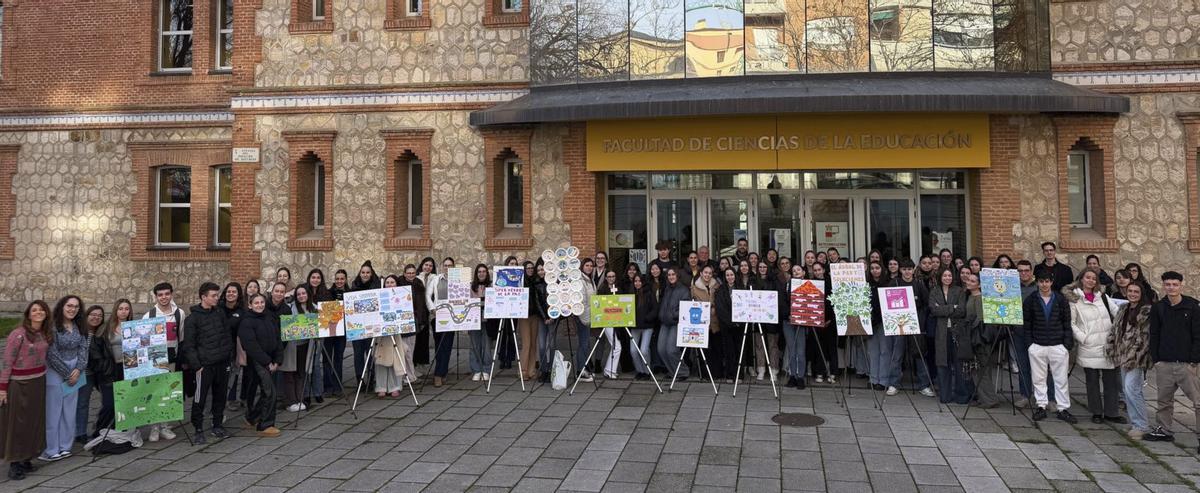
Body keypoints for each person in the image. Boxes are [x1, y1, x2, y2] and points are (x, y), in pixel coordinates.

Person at [1145, 271, 1200, 446]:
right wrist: (1157, 359)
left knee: (1198, 401)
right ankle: (1164, 430)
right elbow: (1154, 333)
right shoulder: (1159, 307)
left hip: (1187, 364)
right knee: (1164, 400)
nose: (1171, 287)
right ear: (1163, 285)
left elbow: (1198, 334)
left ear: (1181, 285)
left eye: (1175, 284)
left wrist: (1194, 360)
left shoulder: (1193, 306)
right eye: (1168, 284)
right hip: (1165, 363)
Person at [1065, 268, 1123, 424]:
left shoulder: (1102, 296)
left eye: (1093, 278)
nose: (1090, 280)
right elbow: (1071, 323)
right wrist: (1084, 338)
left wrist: (1118, 331)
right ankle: (1096, 412)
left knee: (1111, 380)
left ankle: (1112, 412)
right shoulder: (1074, 299)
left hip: (1107, 344)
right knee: (1092, 381)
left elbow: (1117, 312)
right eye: (1088, 277)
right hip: (1089, 345)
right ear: (1081, 279)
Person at [1, 301, 51, 480]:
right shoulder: (18, 334)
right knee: (18, 424)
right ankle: (14, 463)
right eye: (34, 310)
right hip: (20, 384)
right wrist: (3, 388)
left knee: (34, 422)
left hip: (38, 381)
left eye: (41, 310)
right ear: (28, 315)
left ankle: (26, 458)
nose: (38, 312)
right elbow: (7, 361)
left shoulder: (44, 333)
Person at [179, 282, 232, 443]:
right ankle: (198, 428)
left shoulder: (220, 313)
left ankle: (217, 425)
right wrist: (197, 366)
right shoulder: (192, 319)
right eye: (213, 295)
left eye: (217, 295)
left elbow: (227, 335)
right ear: (204, 297)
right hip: (204, 366)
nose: (217, 298)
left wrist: (227, 356)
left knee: (220, 396)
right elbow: (189, 345)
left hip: (222, 363)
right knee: (199, 398)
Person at [1024, 270, 1077, 423]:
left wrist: (1066, 344)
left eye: (1047, 281)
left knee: (1061, 379)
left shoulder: (1060, 299)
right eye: (1041, 281)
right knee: (1038, 377)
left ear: (1051, 282)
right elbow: (1027, 324)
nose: (1044, 284)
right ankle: (1041, 405)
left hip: (1057, 344)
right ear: (1037, 282)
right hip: (1037, 344)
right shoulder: (1031, 300)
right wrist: (1030, 345)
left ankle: (1063, 408)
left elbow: (1067, 323)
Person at [42, 295, 88, 461]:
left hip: (76, 371)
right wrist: (67, 373)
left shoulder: (78, 326)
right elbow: (52, 353)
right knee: (53, 411)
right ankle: (51, 449)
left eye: (76, 307)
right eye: (69, 306)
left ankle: (65, 446)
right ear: (62, 306)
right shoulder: (52, 327)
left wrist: (78, 369)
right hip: (55, 371)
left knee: (69, 410)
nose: (72, 309)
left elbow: (84, 348)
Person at [1107, 282, 1153, 439]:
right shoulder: (1123, 308)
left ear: (1141, 294)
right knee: (1127, 391)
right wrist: (1112, 346)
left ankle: (1142, 425)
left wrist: (1134, 355)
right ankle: (1135, 423)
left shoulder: (1146, 311)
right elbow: (1115, 329)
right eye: (1130, 291)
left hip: (1136, 358)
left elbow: (1144, 337)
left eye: (1136, 291)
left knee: (1132, 389)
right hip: (1122, 355)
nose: (1133, 294)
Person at [142, 282, 183, 442]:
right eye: (160, 294)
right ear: (156, 296)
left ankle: (165, 426)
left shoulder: (179, 314)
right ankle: (154, 427)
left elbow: (182, 337)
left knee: (167, 393)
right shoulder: (149, 316)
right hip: (154, 360)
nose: (164, 297)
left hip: (172, 359)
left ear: (171, 294)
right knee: (154, 393)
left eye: (167, 294)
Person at [239, 294, 282, 437]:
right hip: (258, 361)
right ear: (250, 305)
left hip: (270, 359)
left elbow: (277, 338)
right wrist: (267, 362)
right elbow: (251, 345)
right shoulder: (246, 322)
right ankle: (265, 425)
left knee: (267, 391)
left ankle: (252, 417)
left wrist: (277, 359)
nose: (259, 305)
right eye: (256, 303)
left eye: (262, 302)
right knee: (270, 392)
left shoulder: (269, 317)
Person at [889, 259, 934, 397]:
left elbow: (927, 305)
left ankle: (924, 385)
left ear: (914, 270)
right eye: (904, 269)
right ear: (900, 270)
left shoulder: (919, 285)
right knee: (897, 355)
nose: (907, 272)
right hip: (899, 325)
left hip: (915, 325)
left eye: (909, 269)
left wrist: (920, 321)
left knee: (919, 355)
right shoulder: (894, 283)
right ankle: (894, 383)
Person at [91, 299, 130, 434]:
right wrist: (102, 366)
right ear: (115, 310)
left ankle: (120, 430)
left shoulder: (134, 326)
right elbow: (96, 349)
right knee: (109, 403)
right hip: (109, 369)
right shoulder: (106, 327)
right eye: (120, 308)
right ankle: (99, 430)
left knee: (124, 402)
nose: (123, 311)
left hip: (127, 369)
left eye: (126, 308)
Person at [930, 269, 968, 405]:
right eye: (945, 275)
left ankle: (961, 396)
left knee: (959, 364)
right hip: (941, 332)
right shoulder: (934, 291)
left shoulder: (959, 291)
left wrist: (943, 308)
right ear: (941, 277)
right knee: (942, 363)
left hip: (956, 331)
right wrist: (952, 307)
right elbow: (933, 310)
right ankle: (945, 395)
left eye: (950, 275)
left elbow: (962, 310)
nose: (947, 277)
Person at [963, 273, 999, 408]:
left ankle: (989, 399)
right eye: (969, 280)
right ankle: (984, 397)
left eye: (973, 281)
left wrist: (970, 329)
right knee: (977, 369)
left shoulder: (979, 298)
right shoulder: (971, 296)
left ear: (979, 284)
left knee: (981, 369)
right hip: (973, 336)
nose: (969, 282)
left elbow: (980, 319)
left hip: (979, 338)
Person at [280, 284, 315, 411]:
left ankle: (300, 399)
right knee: (289, 373)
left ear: (308, 294)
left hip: (305, 345)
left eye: (303, 293)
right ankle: (290, 401)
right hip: (291, 346)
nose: (301, 296)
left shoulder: (315, 308)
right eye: (299, 294)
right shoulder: (290, 308)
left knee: (301, 373)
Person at [376, 275, 413, 396]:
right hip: (382, 333)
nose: (390, 284)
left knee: (396, 358)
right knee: (381, 358)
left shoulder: (402, 296)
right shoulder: (379, 296)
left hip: (395, 332)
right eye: (387, 282)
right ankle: (381, 386)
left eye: (392, 282)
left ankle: (395, 386)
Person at [74, 305, 104, 444]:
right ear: (87, 315)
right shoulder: (78, 330)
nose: (96, 317)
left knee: (83, 403)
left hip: (91, 373)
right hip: (76, 372)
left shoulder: (101, 332)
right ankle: (73, 431)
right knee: (72, 403)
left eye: (99, 315)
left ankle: (81, 433)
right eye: (93, 314)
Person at [352, 261, 382, 386]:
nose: (365, 275)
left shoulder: (376, 286)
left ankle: (371, 378)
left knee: (370, 353)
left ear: (371, 274)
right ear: (360, 273)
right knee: (358, 354)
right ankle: (360, 379)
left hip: (371, 326)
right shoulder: (354, 286)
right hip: (357, 327)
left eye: (367, 272)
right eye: (363, 272)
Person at [808, 262, 838, 385]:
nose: (817, 272)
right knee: (818, 348)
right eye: (815, 270)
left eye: (819, 269)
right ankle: (819, 372)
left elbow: (835, 302)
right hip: (816, 321)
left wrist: (830, 319)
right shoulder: (811, 284)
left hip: (830, 320)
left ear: (824, 270)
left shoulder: (832, 283)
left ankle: (833, 373)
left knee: (831, 347)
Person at [303, 269, 330, 404]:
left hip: (320, 332)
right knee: (305, 363)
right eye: (313, 277)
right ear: (309, 278)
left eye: (318, 277)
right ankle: (306, 393)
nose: (315, 280)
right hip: (305, 331)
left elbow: (329, 314)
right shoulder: (304, 291)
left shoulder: (325, 293)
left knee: (315, 363)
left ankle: (318, 392)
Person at [425, 258, 453, 387]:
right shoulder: (435, 279)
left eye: (450, 265)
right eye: (445, 265)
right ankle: (438, 373)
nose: (447, 267)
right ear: (442, 267)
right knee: (439, 345)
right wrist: (432, 309)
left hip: (452, 317)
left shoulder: (458, 280)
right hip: (438, 316)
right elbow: (427, 295)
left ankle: (442, 372)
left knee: (447, 346)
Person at [658, 268, 690, 381]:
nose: (671, 276)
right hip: (665, 322)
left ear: (677, 276)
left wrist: (673, 314)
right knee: (661, 349)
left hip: (676, 322)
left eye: (673, 274)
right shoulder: (667, 288)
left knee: (672, 350)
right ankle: (672, 371)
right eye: (669, 275)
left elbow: (685, 307)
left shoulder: (683, 290)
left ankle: (682, 372)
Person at [399, 265, 429, 381]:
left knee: (411, 349)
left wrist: (420, 319)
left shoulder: (419, 284)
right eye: (408, 273)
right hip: (403, 319)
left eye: (412, 273)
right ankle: (404, 374)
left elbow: (421, 304)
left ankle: (410, 375)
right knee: (403, 349)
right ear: (404, 273)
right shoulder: (400, 284)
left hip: (414, 320)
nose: (410, 275)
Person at [221, 283, 248, 412]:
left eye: (234, 292)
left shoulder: (242, 311)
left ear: (238, 295)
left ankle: (231, 399)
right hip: (220, 347)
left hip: (235, 348)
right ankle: (220, 400)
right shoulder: (218, 308)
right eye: (229, 291)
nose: (231, 294)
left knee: (234, 374)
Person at [691, 265, 720, 381]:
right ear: (701, 273)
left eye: (710, 273)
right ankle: (705, 374)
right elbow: (693, 303)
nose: (707, 275)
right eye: (705, 272)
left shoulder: (717, 286)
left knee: (716, 349)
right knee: (705, 350)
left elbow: (720, 301)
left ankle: (716, 373)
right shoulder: (694, 287)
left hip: (715, 322)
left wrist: (714, 307)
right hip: (702, 323)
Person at [866, 261, 891, 392]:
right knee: (873, 351)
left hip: (884, 321)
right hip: (870, 322)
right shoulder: (867, 285)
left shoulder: (887, 284)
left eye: (877, 268)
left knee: (884, 351)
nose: (875, 270)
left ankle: (883, 380)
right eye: (872, 268)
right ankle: (873, 378)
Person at [754, 261, 781, 382]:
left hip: (771, 318)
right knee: (759, 345)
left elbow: (779, 298)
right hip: (757, 317)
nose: (762, 269)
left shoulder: (774, 281)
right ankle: (761, 369)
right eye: (760, 267)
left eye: (765, 267)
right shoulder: (753, 280)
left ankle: (773, 370)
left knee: (773, 345)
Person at [782, 265, 807, 389]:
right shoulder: (787, 285)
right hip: (788, 321)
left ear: (803, 272)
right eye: (793, 271)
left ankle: (801, 376)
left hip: (802, 322)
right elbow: (783, 302)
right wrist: (788, 315)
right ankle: (792, 376)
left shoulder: (809, 285)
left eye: (798, 270)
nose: (796, 272)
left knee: (801, 351)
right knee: (791, 350)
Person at [324, 269, 348, 395]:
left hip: (342, 330)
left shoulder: (349, 293)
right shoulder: (328, 293)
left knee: (338, 358)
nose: (339, 281)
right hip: (328, 329)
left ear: (345, 280)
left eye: (342, 279)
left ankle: (338, 385)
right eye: (337, 279)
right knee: (327, 358)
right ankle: (328, 386)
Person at [597, 270, 625, 379]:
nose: (611, 278)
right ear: (606, 278)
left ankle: (609, 370)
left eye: (613, 276)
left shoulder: (619, 288)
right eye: (609, 276)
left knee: (616, 346)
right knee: (617, 346)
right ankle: (609, 370)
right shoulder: (602, 289)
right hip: (607, 321)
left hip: (617, 320)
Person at [470, 265, 496, 382]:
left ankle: (486, 369)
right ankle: (476, 370)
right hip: (473, 319)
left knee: (486, 346)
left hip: (487, 320)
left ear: (487, 273)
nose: (481, 273)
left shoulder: (491, 286)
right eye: (479, 271)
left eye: (484, 271)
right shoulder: (471, 286)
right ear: (476, 274)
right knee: (475, 345)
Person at [631, 274, 658, 381]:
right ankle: (640, 370)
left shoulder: (649, 294)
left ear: (643, 282)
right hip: (635, 327)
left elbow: (655, 309)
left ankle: (647, 371)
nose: (637, 283)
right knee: (633, 350)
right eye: (635, 281)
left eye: (639, 281)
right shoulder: (632, 295)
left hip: (647, 326)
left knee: (644, 350)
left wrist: (647, 318)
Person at [714, 268, 737, 382]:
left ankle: (739, 374)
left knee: (738, 350)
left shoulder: (741, 288)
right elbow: (720, 308)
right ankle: (729, 374)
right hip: (726, 325)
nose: (730, 277)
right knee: (728, 351)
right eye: (727, 275)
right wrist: (729, 321)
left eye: (731, 274)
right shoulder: (720, 290)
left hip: (739, 325)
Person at [518, 261, 539, 381]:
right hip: (524, 316)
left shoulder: (536, 281)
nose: (530, 270)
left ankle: (532, 370)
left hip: (534, 315)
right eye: (528, 268)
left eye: (532, 268)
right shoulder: (522, 282)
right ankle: (523, 370)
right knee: (526, 344)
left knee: (533, 344)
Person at [415, 258, 437, 366]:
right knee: (417, 338)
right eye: (426, 265)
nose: (428, 267)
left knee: (425, 338)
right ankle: (415, 364)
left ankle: (422, 363)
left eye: (430, 266)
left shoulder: (435, 278)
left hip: (430, 311)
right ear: (422, 265)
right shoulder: (416, 277)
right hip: (419, 311)